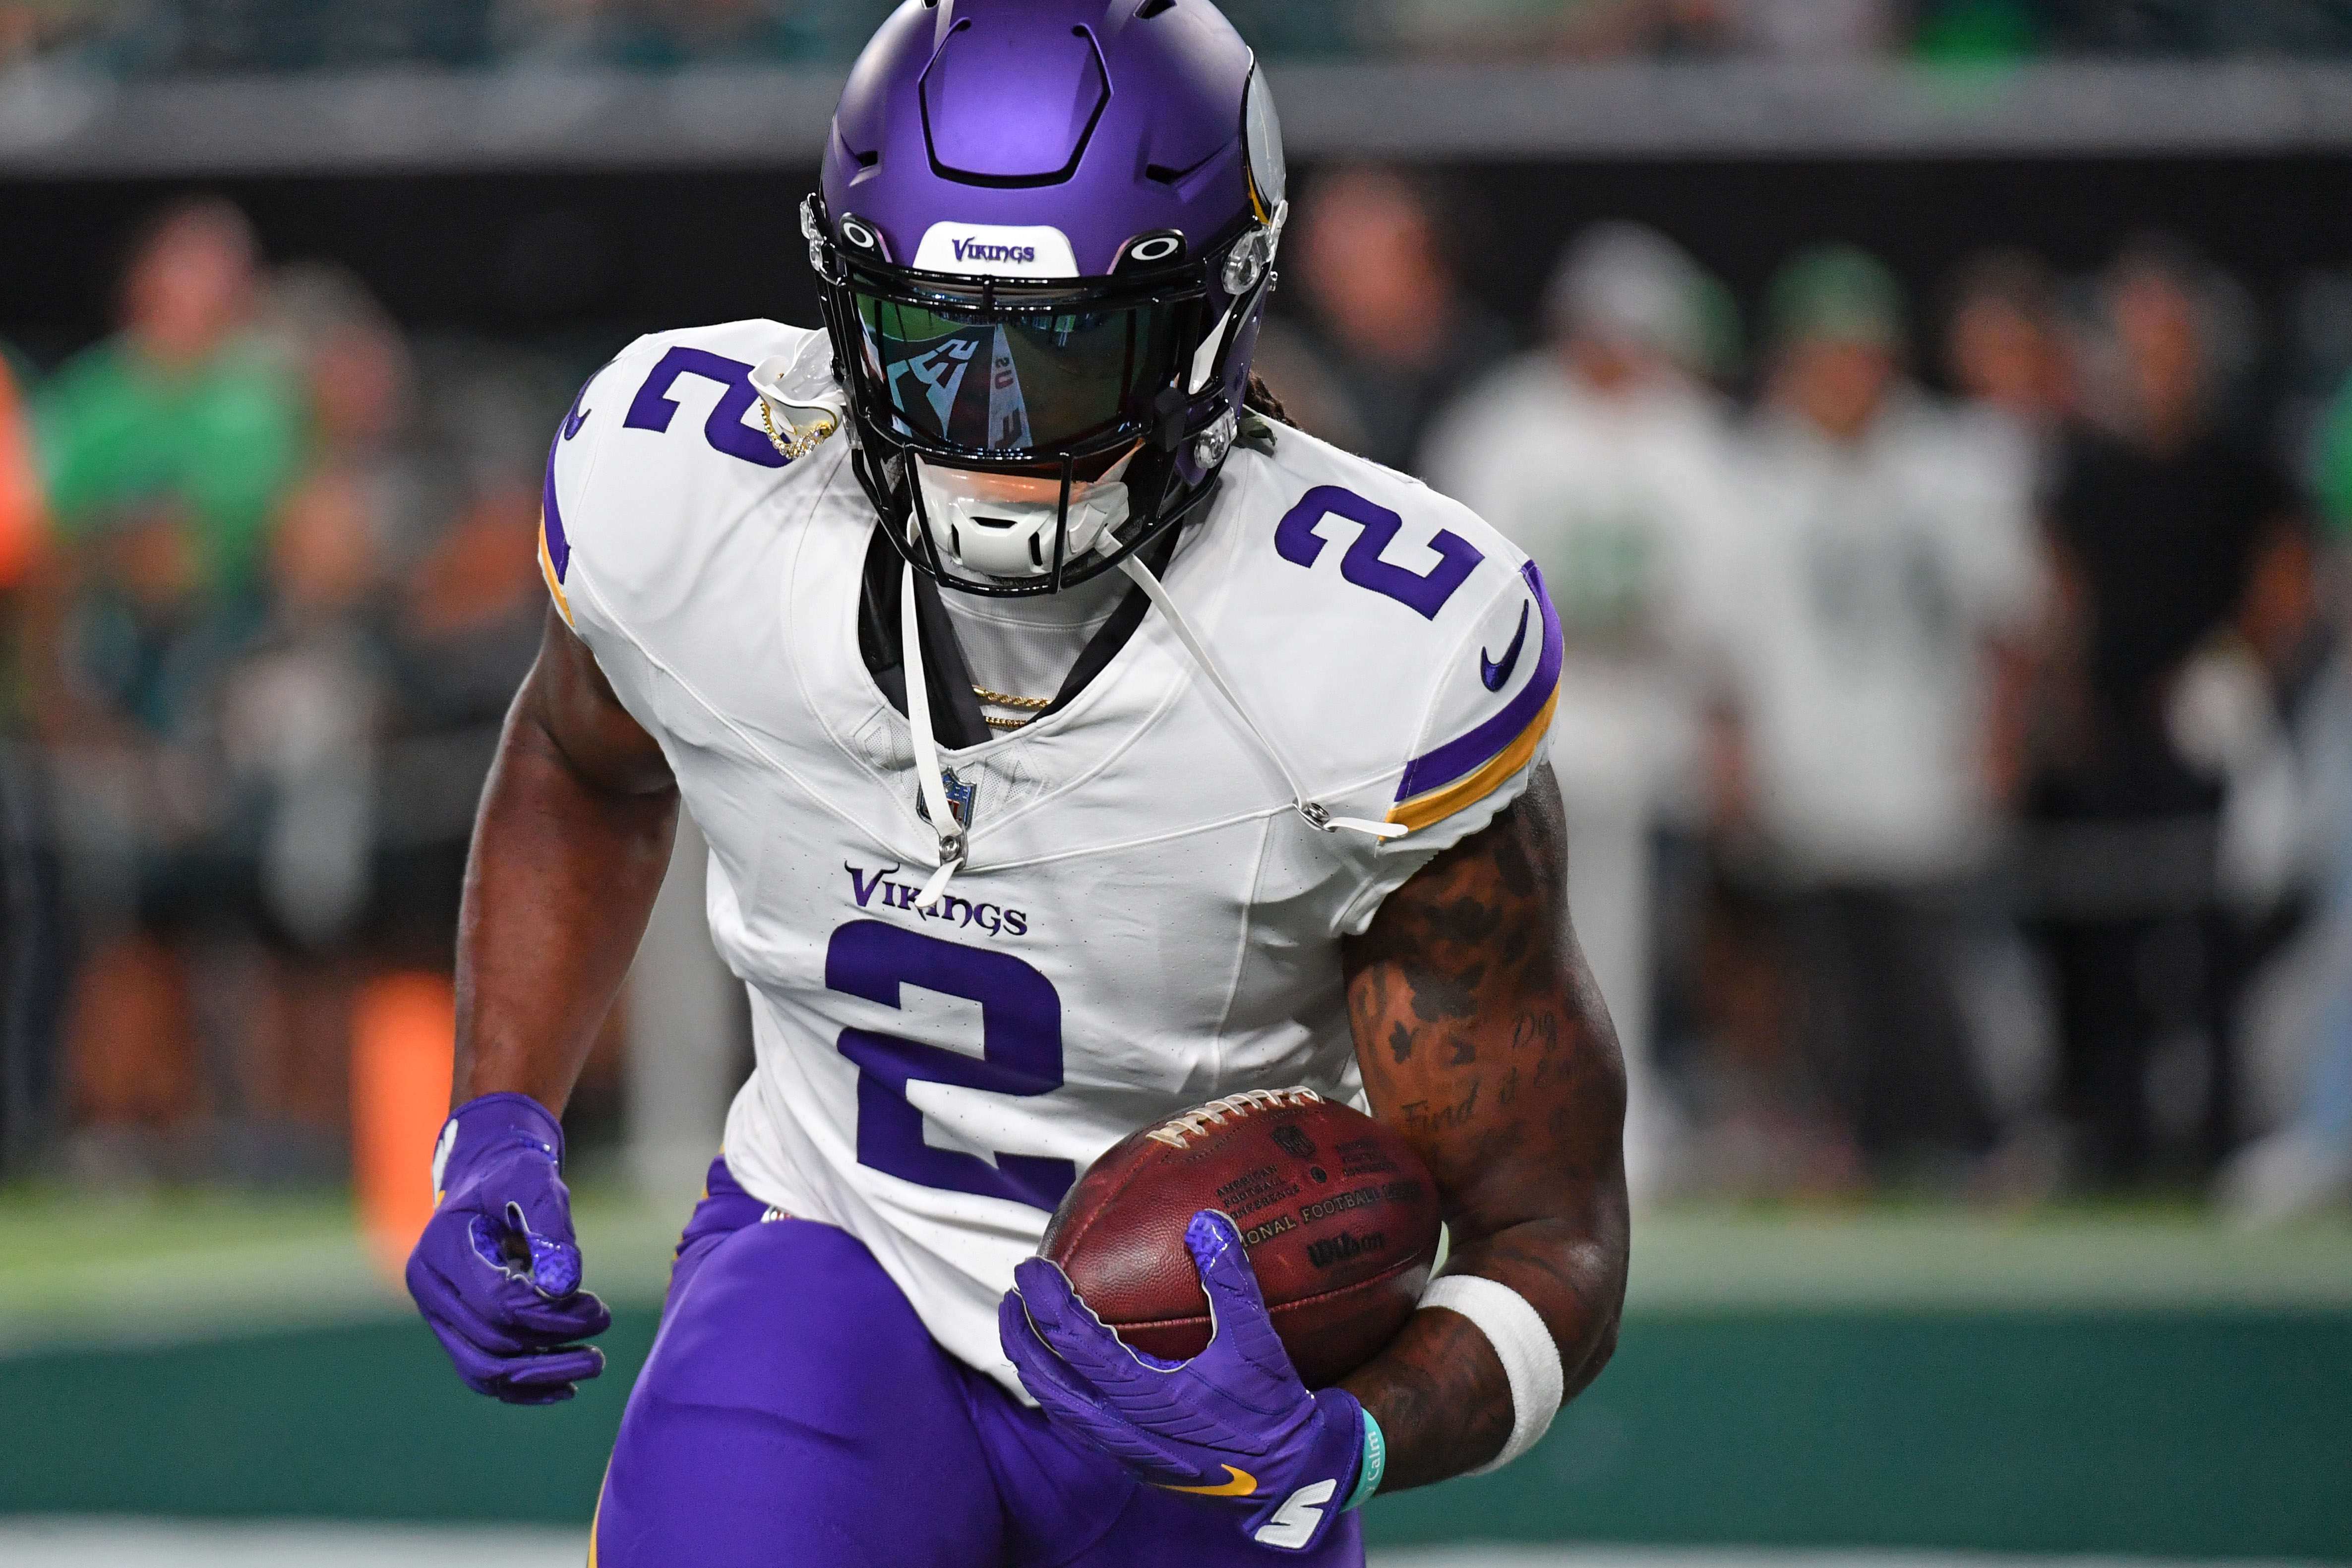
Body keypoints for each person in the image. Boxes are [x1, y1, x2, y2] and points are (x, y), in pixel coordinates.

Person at [404, 6, 1629, 1567]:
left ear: (1215, 315)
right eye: (930, 336)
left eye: (1058, 350)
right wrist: (496, 1123)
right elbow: (584, 756)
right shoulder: (692, 491)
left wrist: (1347, 1437)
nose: (984, 425)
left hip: (1197, 1361)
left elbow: (1553, 1233)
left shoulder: (1373, 657)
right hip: (833, 1257)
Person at [1422, 222, 1739, 1201]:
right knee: (1517, 929)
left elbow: (1719, 593)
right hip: (1528, 710)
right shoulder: (1504, 422)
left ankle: (1626, 1107)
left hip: (1645, 713)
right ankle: (1524, 1110)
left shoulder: (1685, 433)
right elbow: (1462, 579)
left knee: (1639, 937)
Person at [1712, 244, 2040, 1182]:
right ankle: (1849, 1144)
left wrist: (1999, 741)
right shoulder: (1751, 473)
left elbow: (2007, 624)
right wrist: (1732, 761)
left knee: (1939, 976)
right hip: (1806, 768)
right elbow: (1721, 650)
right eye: (1826, 354)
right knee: (1826, 987)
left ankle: (1975, 1141)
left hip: (1925, 764)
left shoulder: (1954, 463)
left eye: (1860, 354)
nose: (1846, 375)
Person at [2032, 240, 2309, 1186]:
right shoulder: (2083, 466)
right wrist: (2060, 700)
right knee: (2107, 948)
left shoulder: (2238, 459)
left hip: (2210, 733)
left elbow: (2285, 572)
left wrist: (2237, 664)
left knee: (2214, 942)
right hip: (2112, 738)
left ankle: (2220, 1136)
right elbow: (2059, 589)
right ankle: (2116, 1138)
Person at [1287, 164, 1514, 474]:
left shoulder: (1503, 378)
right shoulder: (1298, 367)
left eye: (1350, 265)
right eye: (1319, 259)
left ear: (1422, 249)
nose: (1318, 278)